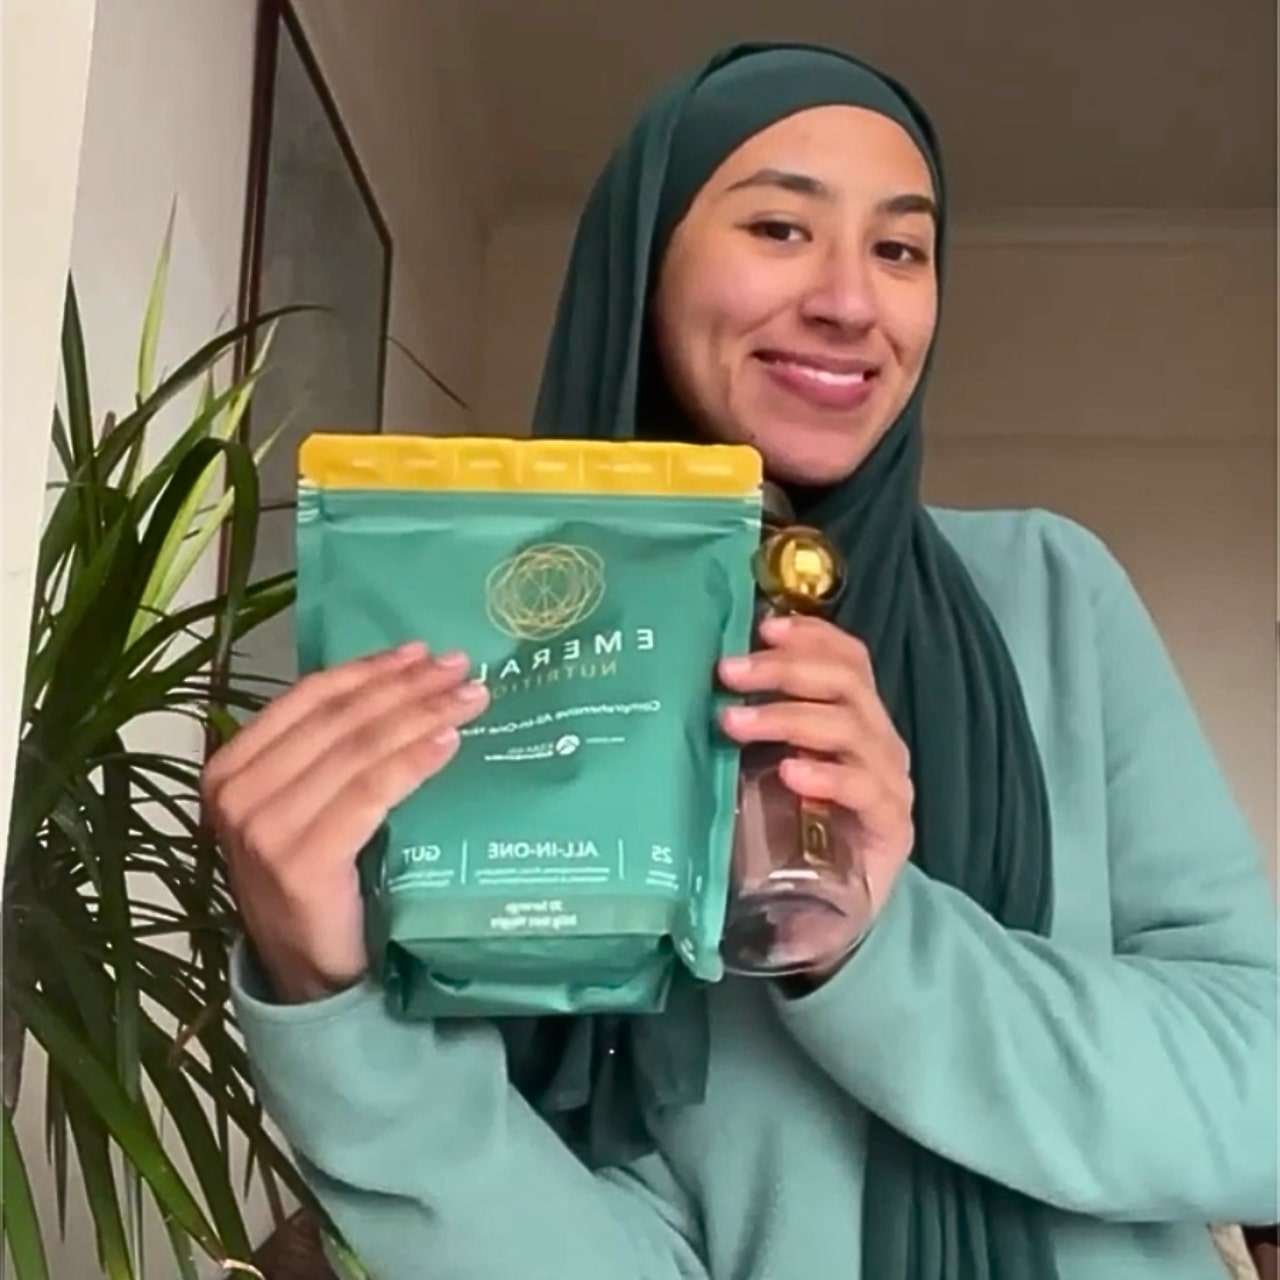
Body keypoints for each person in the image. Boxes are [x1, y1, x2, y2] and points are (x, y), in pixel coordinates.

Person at [205, 41, 1279, 1280]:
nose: (849, 299)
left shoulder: (1049, 593)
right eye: (778, 225)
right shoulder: (505, 655)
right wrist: (323, 989)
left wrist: (877, 943)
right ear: (640, 263)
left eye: (899, 248)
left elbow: (1256, 1096)